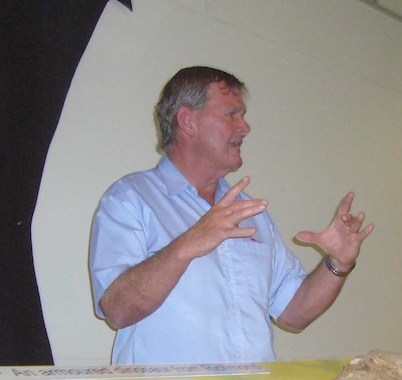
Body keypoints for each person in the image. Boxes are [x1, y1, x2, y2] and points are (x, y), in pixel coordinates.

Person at [89, 66, 373, 364]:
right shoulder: (130, 198)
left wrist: (337, 263)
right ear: (188, 121)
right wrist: (189, 243)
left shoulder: (250, 212)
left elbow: (293, 313)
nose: (245, 127)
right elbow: (117, 309)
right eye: (231, 115)